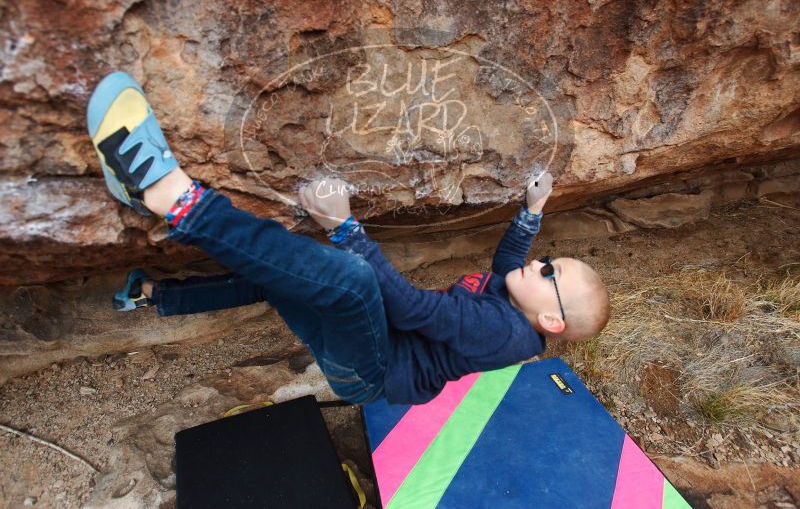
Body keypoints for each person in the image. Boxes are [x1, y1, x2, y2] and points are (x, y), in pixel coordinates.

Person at [89, 71, 610, 405]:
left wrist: (345, 227)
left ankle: (172, 197)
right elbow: (507, 265)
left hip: (373, 370)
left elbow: (411, 311)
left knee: (352, 279)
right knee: (285, 278)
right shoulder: (517, 304)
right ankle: (153, 294)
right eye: (549, 258)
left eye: (550, 271)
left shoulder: (503, 334)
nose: (539, 263)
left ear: (552, 320)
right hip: (381, 344)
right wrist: (531, 213)